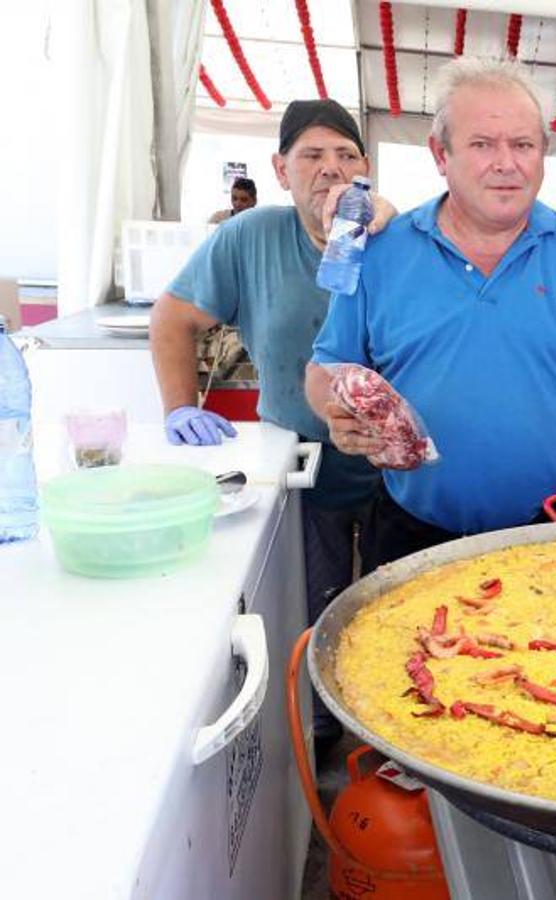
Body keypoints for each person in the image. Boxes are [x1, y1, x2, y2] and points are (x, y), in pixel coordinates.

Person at [305, 57, 556, 567]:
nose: (506, 163)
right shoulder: (381, 250)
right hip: (410, 535)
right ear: (441, 154)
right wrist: (335, 413)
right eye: (482, 144)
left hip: (550, 535)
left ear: (545, 154)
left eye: (523, 145)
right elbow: (325, 368)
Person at [150, 99, 397, 750]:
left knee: (388, 611)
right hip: (295, 462)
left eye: (345, 155)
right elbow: (172, 319)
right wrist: (180, 405)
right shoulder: (249, 237)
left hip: (388, 465)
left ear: (367, 169)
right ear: (280, 169)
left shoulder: (392, 234)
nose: (329, 170)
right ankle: (312, 744)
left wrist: (392, 227)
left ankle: (384, 744)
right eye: (311, 156)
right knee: (307, 608)